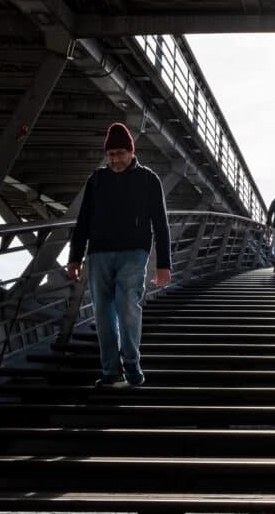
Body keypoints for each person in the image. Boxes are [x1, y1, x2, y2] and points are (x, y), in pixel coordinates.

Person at [68, 122, 172, 389]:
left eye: (119, 154)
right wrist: (75, 257)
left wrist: (163, 265)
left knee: (127, 306)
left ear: (131, 152)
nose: (114, 159)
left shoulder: (148, 179)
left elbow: (160, 223)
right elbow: (83, 221)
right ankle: (111, 372)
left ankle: (132, 365)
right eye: (110, 154)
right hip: (99, 254)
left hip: (133, 253)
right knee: (102, 314)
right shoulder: (96, 180)